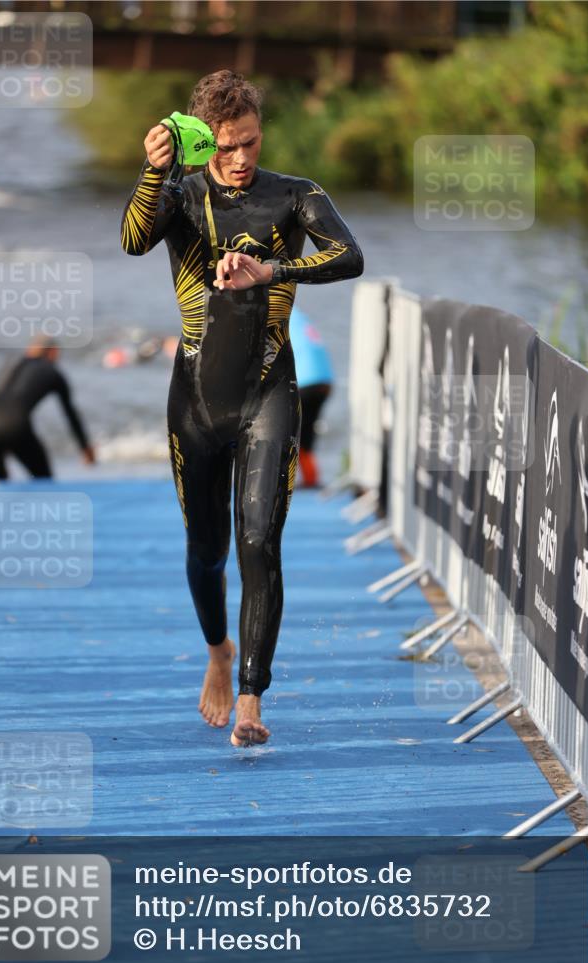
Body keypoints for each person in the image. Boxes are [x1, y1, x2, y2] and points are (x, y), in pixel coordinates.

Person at [121, 70, 363, 746]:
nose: (238, 159)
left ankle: (253, 697)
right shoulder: (181, 193)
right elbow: (133, 240)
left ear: (261, 133)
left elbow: (350, 256)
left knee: (260, 543)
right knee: (207, 551)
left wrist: (273, 271)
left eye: (249, 142)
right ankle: (218, 652)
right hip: (196, 400)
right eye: (225, 146)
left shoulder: (294, 194)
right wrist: (153, 171)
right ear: (204, 142)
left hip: (267, 391)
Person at [0, 336, 95, 480]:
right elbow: (70, 414)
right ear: (53, 351)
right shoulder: (52, 371)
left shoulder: (10, 362)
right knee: (44, 481)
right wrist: (85, 447)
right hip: (13, 424)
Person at [288, 309, 334, 488]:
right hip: (324, 380)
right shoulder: (297, 315)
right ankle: (310, 478)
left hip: (305, 380)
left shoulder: (276, 312)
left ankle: (294, 479)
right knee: (305, 431)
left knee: (288, 429)